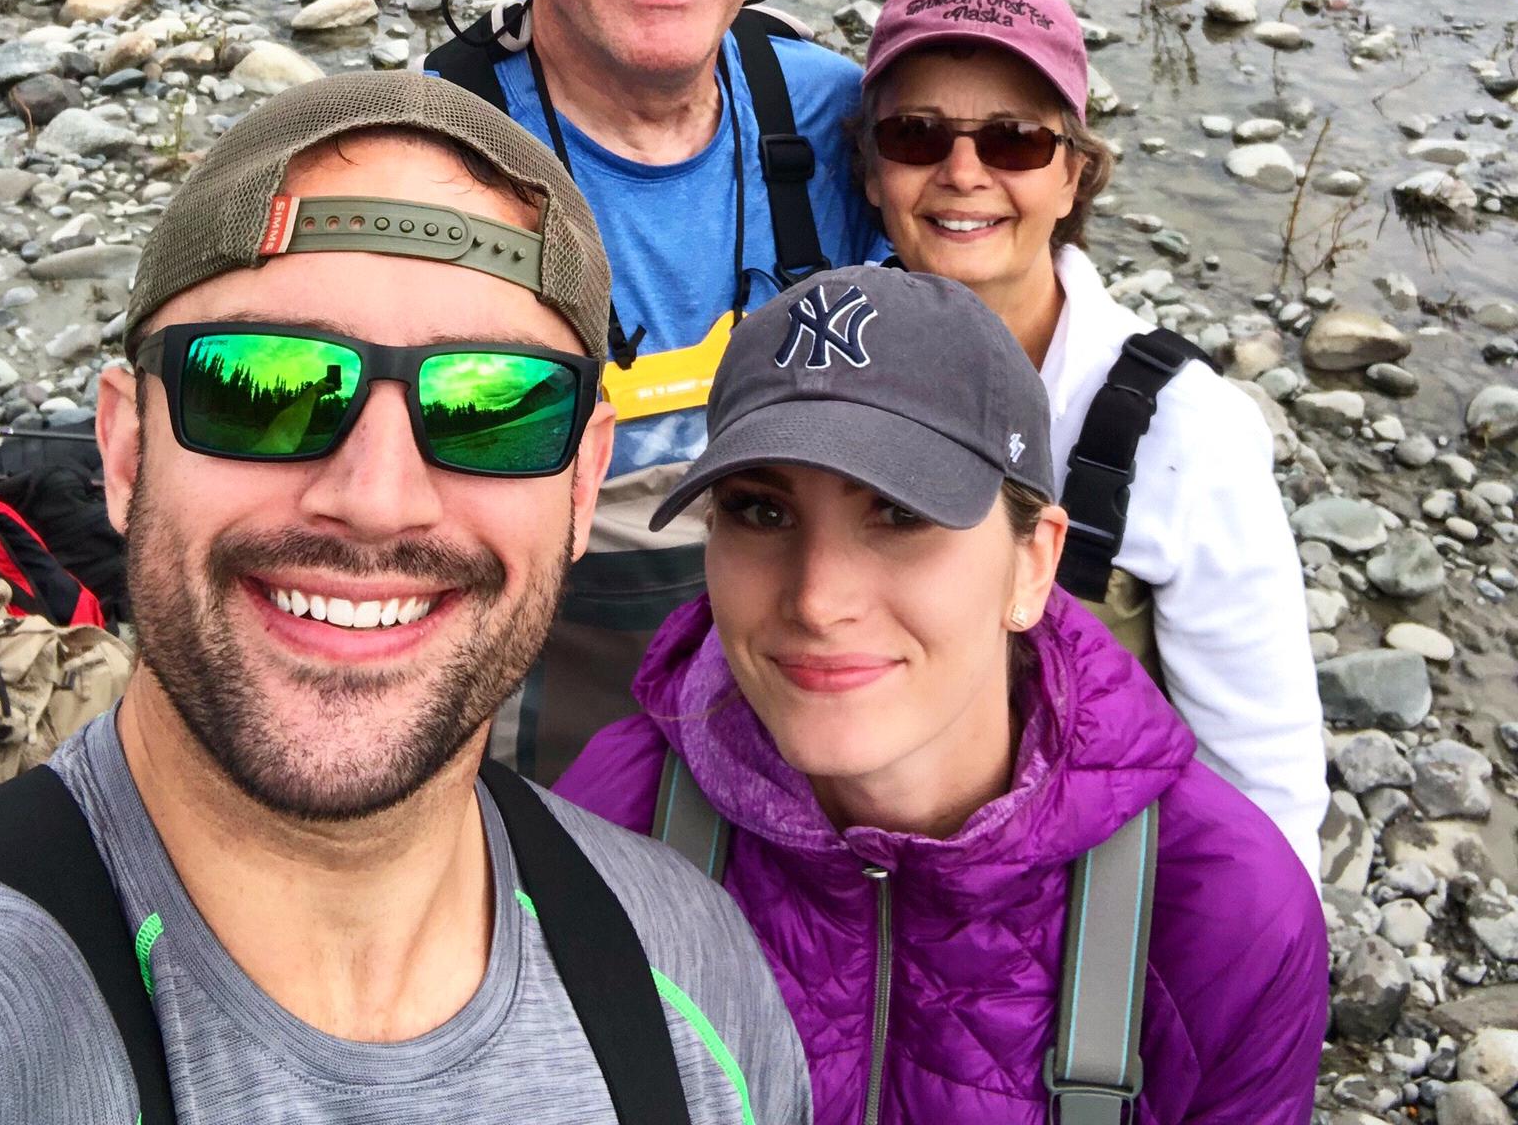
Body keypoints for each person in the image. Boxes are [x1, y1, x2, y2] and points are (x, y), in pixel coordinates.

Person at [0, 73, 810, 1125]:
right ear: (123, 448)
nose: (377, 499)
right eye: (268, 385)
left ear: (581, 483)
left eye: (494, 406)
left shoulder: (691, 978)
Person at [558, 265, 1329, 1125]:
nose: (817, 600)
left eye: (899, 514)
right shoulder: (604, 827)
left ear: (1033, 565)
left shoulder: (1223, 913)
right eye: (762, 513)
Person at [425, 0, 884, 778]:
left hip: (795, 700)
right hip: (527, 744)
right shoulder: (431, 161)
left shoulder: (841, 119)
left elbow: (1016, 320)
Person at [851, 0, 1327, 879]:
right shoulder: (822, 380)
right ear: (870, 173)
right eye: (916, 135)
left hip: (1090, 920)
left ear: (1074, 176)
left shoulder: (1190, 432)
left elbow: (1264, 782)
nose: (963, 173)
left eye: (1016, 142)